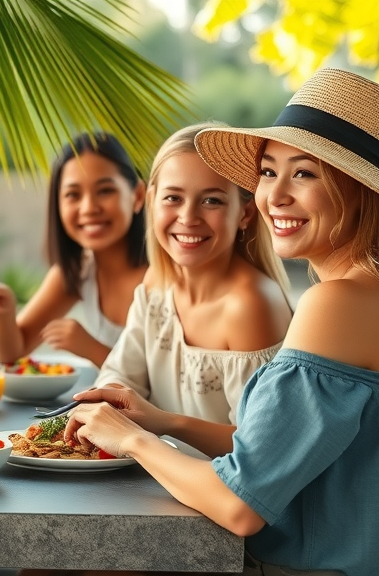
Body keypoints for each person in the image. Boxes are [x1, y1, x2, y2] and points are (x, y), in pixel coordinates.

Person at [65, 68, 379, 576]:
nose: (274, 196)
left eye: (304, 174)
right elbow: (271, 449)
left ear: (362, 190)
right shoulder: (362, 295)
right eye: (268, 172)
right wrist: (163, 421)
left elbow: (240, 505)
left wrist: (132, 440)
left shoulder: (337, 303)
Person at [89, 122, 292, 456]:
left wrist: (165, 422)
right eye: (173, 198)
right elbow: (123, 372)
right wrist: (109, 400)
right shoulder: (157, 282)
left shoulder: (250, 304)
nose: (188, 217)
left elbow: (261, 449)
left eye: (211, 200)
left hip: (210, 486)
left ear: (245, 213)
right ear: (151, 201)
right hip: (154, 476)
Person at [0, 133, 147, 367]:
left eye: (105, 191)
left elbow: (164, 379)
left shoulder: (165, 273)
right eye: (73, 195)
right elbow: (12, 353)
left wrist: (92, 349)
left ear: (138, 196)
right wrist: (4, 313)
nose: (89, 208)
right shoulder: (78, 272)